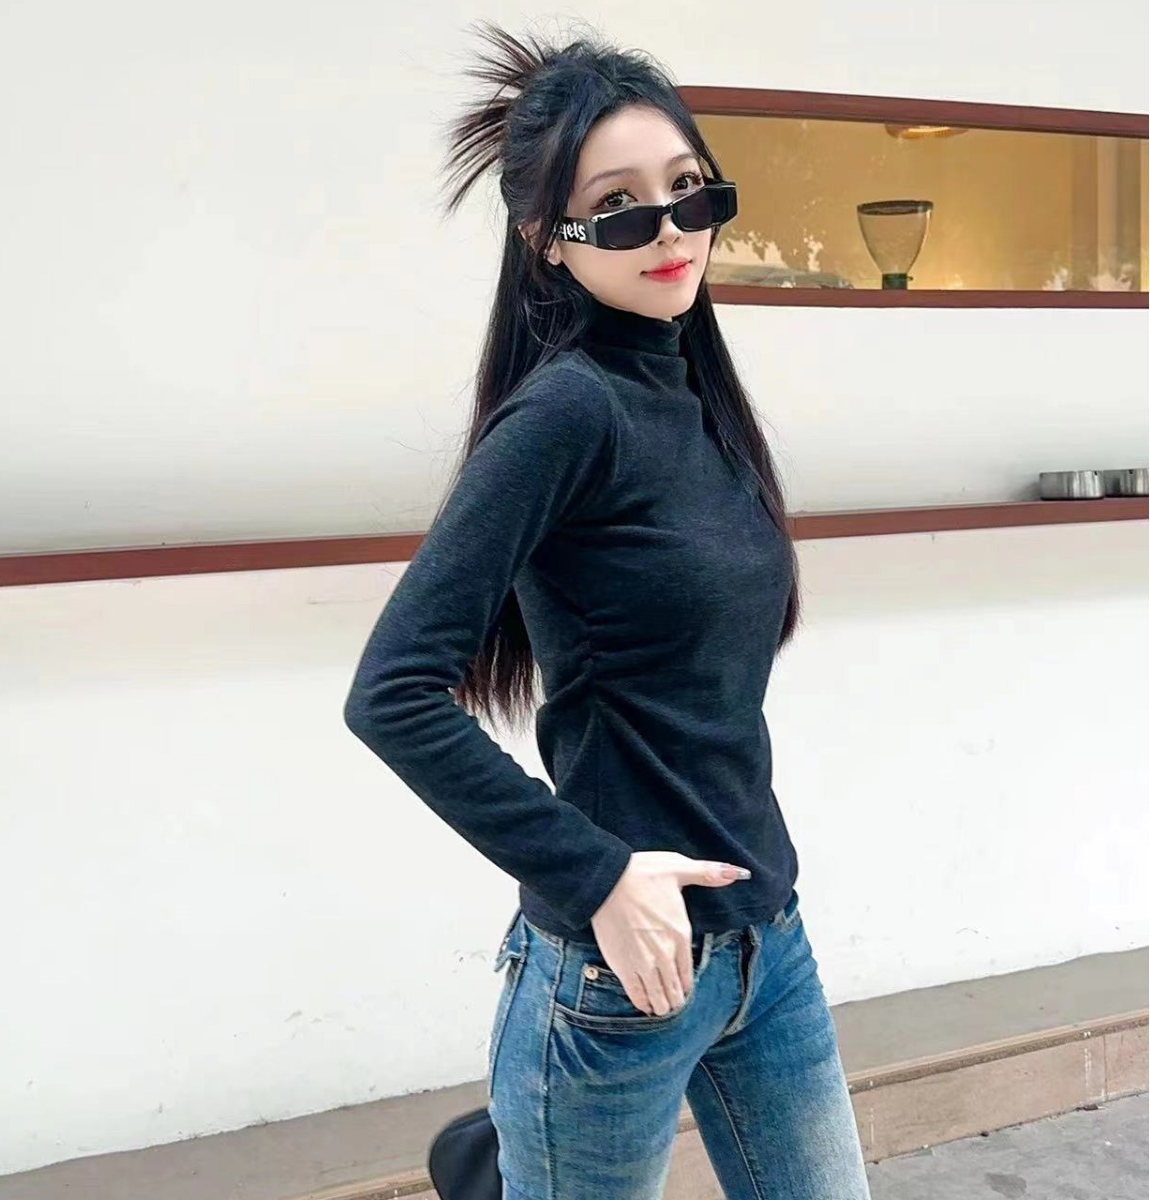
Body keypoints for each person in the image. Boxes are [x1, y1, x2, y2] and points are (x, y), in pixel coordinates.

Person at [343, 20, 872, 1200]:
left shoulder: (696, 392)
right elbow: (390, 694)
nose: (671, 230)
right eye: (620, 208)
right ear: (550, 241)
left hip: (764, 945)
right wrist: (598, 877)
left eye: (690, 191)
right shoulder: (566, 415)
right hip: (611, 978)